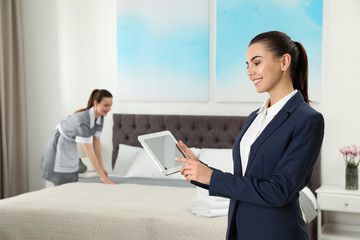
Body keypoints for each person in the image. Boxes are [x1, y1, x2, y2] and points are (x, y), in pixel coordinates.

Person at [176, 31, 324, 240]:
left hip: (275, 233)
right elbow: (244, 181)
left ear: (284, 62)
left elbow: (279, 191)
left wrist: (212, 177)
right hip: (240, 230)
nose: (249, 71)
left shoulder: (307, 120)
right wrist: (200, 170)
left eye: (256, 62)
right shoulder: (255, 117)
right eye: (247, 65)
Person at [41, 89, 115, 186]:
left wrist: (102, 168)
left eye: (110, 106)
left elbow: (96, 142)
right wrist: (102, 177)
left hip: (71, 144)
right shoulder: (83, 121)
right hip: (59, 143)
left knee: (70, 181)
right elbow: (89, 152)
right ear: (96, 103)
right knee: (59, 180)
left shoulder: (100, 117)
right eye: (106, 105)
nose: (109, 109)